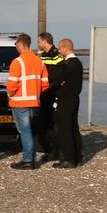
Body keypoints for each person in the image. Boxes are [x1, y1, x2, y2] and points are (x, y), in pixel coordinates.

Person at [6, 34, 48, 170]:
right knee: (29, 130)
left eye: (16, 45)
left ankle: (28, 160)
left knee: (24, 131)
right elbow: (45, 84)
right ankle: (32, 158)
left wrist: (10, 94)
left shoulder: (17, 62)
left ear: (20, 44)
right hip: (34, 102)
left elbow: (12, 85)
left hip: (20, 102)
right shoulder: (39, 61)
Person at [49, 38, 84, 168]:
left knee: (64, 129)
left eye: (59, 48)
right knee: (74, 128)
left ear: (65, 48)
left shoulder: (68, 64)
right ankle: (77, 156)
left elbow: (55, 76)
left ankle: (68, 158)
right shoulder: (78, 63)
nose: (58, 51)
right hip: (75, 99)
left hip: (65, 100)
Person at [36, 32, 63, 162]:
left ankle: (54, 151)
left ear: (44, 41)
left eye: (39, 41)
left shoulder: (57, 55)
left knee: (53, 124)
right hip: (44, 95)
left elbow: (59, 76)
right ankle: (48, 149)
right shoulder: (43, 56)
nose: (38, 44)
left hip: (53, 95)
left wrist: (50, 87)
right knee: (43, 123)